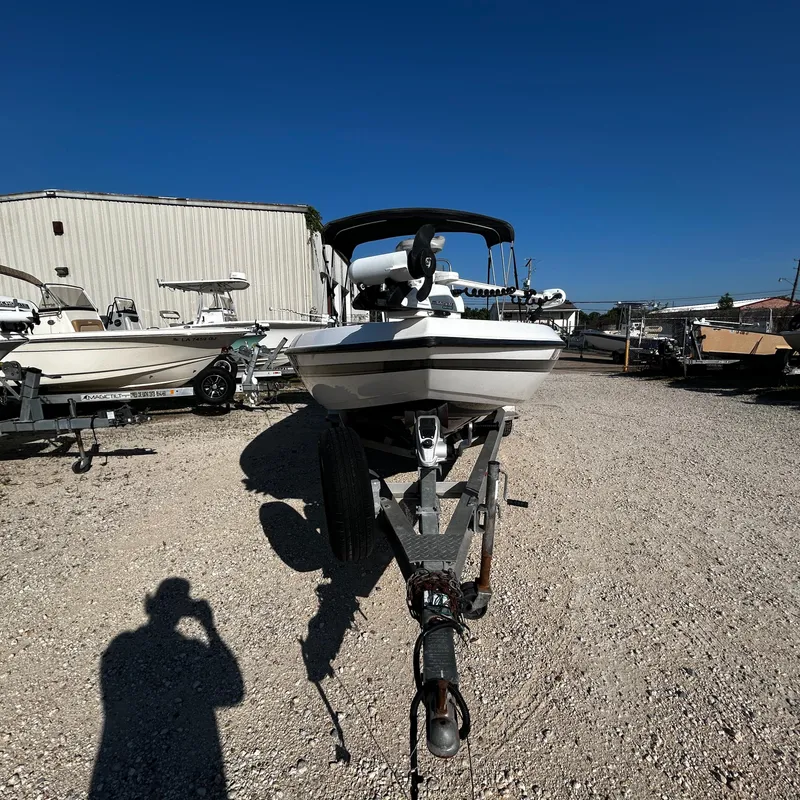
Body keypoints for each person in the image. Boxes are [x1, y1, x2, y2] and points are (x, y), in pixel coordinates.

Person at [89, 578, 243, 799]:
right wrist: (210, 628)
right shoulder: (193, 649)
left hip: (122, 756)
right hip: (190, 756)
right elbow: (233, 692)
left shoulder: (121, 646)